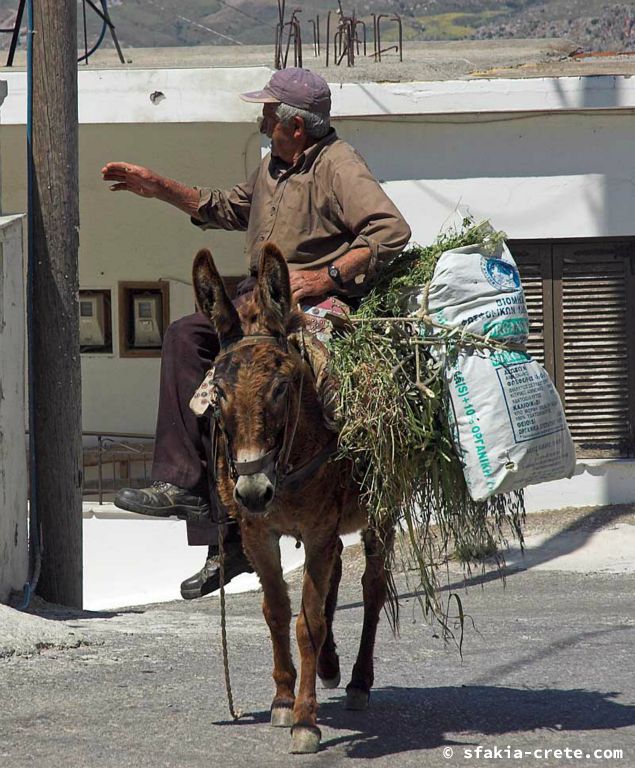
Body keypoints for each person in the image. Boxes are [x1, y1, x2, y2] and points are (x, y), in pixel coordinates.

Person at [101, 68, 411, 599]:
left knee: (285, 389)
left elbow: (390, 230)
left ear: (295, 123)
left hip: (305, 303)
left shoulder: (339, 165)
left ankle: (294, 504)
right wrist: (158, 189)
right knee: (184, 339)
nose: (261, 118)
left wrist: (325, 276)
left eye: (269, 111)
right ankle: (189, 495)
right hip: (254, 300)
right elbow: (228, 207)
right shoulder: (273, 166)